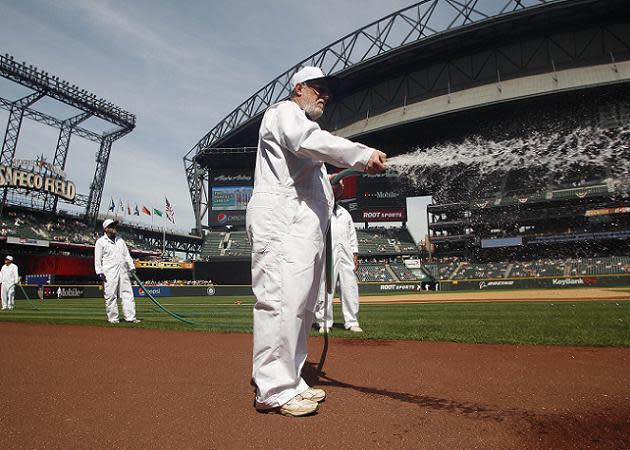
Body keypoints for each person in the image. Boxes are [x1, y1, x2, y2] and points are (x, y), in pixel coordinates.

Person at [247, 66, 386, 417]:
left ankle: (291, 380)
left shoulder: (301, 128)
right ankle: (272, 389)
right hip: (281, 220)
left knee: (300, 305)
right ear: (299, 88)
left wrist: (331, 184)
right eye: (318, 88)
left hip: (300, 225)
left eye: (328, 91)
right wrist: (361, 154)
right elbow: (308, 141)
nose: (325, 95)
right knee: (279, 302)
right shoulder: (284, 113)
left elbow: (311, 169)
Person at [315, 182, 363, 333]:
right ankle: (323, 322)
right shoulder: (320, 209)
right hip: (327, 253)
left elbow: (352, 236)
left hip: (346, 254)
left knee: (349, 287)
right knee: (326, 286)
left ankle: (351, 321)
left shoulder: (345, 213)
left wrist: (354, 254)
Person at [94, 219, 140, 324]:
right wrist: (99, 272)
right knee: (110, 295)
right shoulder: (101, 242)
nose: (114, 228)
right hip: (109, 272)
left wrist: (132, 267)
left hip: (123, 271)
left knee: (128, 294)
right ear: (106, 229)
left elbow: (127, 255)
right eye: (111, 226)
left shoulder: (120, 241)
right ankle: (113, 318)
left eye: (114, 226)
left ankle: (130, 317)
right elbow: (97, 259)